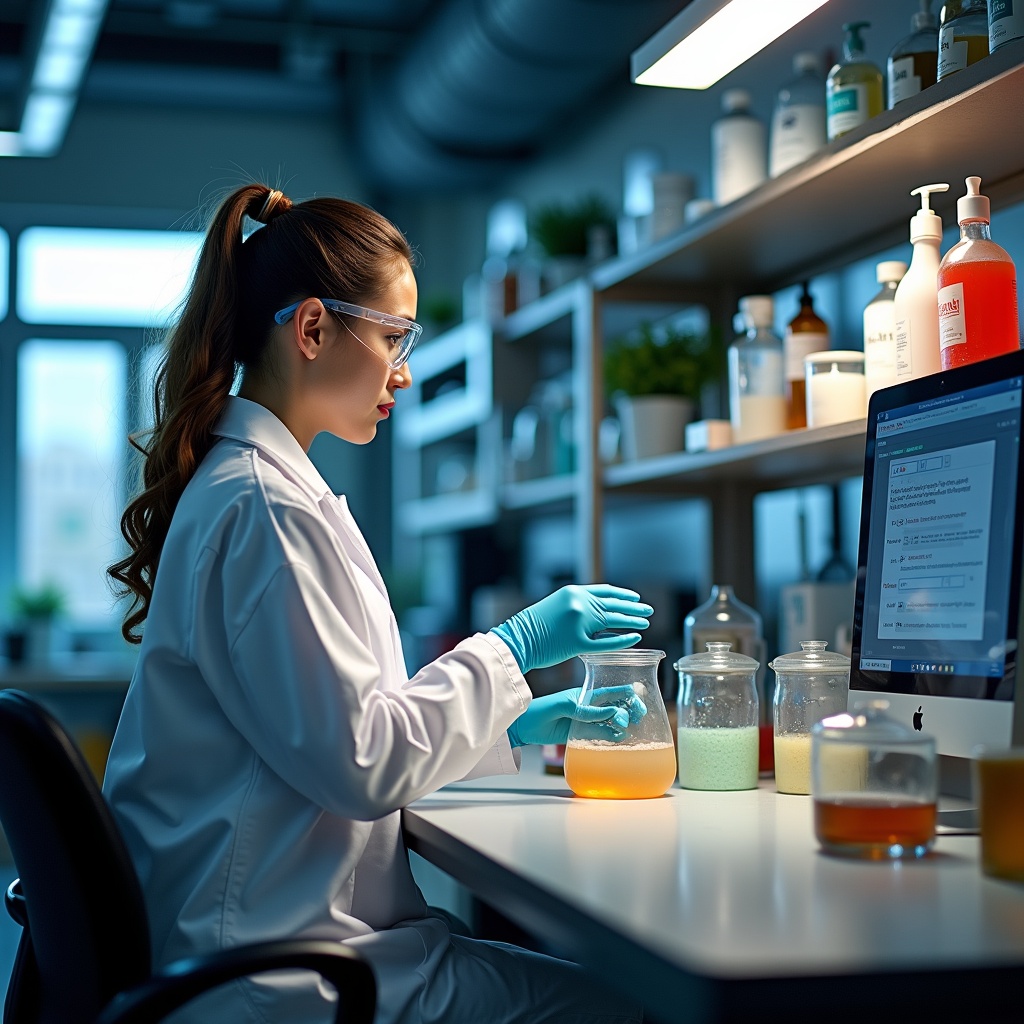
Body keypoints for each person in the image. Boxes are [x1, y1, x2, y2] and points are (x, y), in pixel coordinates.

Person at [103, 183, 652, 1024]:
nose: (403, 370)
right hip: (278, 971)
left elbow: (319, 727)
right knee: (629, 1010)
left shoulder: (262, 491)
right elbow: (362, 758)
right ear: (314, 329)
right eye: (395, 335)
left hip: (277, 933)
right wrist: (517, 643)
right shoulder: (267, 510)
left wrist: (505, 726)